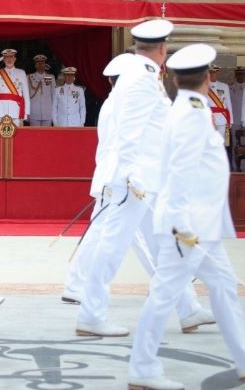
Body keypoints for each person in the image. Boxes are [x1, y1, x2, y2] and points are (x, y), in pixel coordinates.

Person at [76, 19, 211, 338]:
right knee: (112, 247)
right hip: (135, 182)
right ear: (162, 49)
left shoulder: (142, 75)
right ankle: (91, 314)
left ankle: (188, 308)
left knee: (164, 245)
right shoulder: (141, 79)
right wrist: (130, 175)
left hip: (146, 180)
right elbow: (129, 131)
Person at [127, 43, 245, 390]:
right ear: (208, 78)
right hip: (188, 225)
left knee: (223, 289)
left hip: (199, 224)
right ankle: (142, 368)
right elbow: (181, 171)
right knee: (164, 295)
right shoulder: (190, 114)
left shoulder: (187, 108)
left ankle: (244, 360)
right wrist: (181, 223)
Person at [62, 53, 133, 304]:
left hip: (122, 179)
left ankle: (176, 289)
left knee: (142, 235)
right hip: (117, 180)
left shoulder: (118, 103)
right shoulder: (118, 106)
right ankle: (76, 284)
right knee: (101, 233)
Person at [207, 64, 233, 152]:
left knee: (220, 144)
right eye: (210, 72)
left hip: (222, 118)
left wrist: (230, 120)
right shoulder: (204, 85)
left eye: (214, 72)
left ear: (218, 73)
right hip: (209, 118)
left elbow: (228, 103)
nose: (212, 74)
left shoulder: (224, 86)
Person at [28, 54, 55, 126]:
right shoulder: (29, 77)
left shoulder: (50, 77)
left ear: (45, 64)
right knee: (34, 133)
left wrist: (54, 113)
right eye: (38, 63)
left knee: (47, 133)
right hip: (34, 112)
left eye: (42, 63)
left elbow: (53, 95)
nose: (40, 65)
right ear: (35, 65)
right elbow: (26, 95)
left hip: (47, 112)